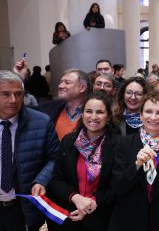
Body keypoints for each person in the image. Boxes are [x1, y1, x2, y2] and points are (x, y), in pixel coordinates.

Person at [109, 91, 159, 231]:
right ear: (141, 115)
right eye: (148, 111)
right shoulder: (124, 144)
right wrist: (136, 165)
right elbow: (117, 187)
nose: (153, 117)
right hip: (127, 221)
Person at [47, 93, 119, 231]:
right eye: (89, 111)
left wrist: (92, 202)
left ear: (109, 116)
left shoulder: (118, 145)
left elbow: (116, 185)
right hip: (70, 214)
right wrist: (75, 197)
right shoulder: (68, 141)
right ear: (82, 114)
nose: (93, 117)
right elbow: (56, 180)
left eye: (100, 112)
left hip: (102, 217)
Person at [0, 70, 59, 230]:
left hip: (22, 208)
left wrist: (41, 180)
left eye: (18, 94)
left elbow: (55, 158)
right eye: (6, 94)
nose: (13, 100)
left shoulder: (41, 122)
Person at [40, 69, 89, 141]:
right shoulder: (49, 107)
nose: (60, 86)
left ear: (82, 88)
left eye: (67, 83)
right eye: (61, 82)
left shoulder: (93, 112)